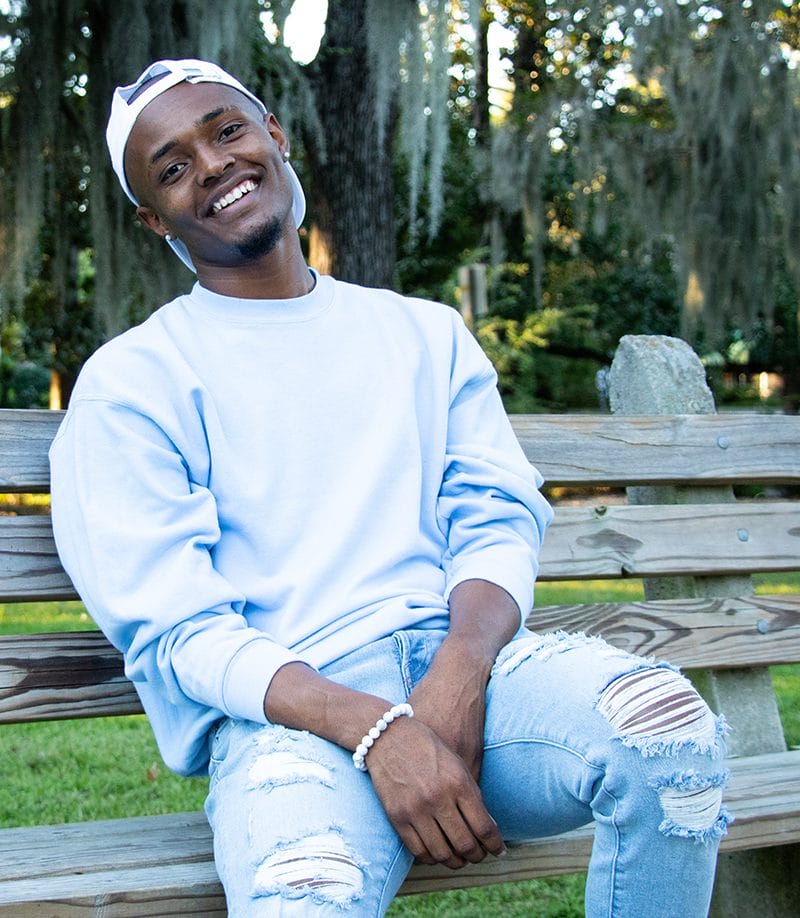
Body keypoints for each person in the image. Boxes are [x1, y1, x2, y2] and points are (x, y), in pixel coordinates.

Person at [49, 59, 730, 917]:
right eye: (174, 166)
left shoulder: (422, 335)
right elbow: (179, 629)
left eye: (228, 131)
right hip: (289, 720)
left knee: (666, 730)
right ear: (153, 220)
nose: (215, 164)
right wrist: (377, 728)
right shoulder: (133, 383)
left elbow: (494, 518)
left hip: (472, 680)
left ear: (275, 139)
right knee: (309, 893)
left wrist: (460, 673)